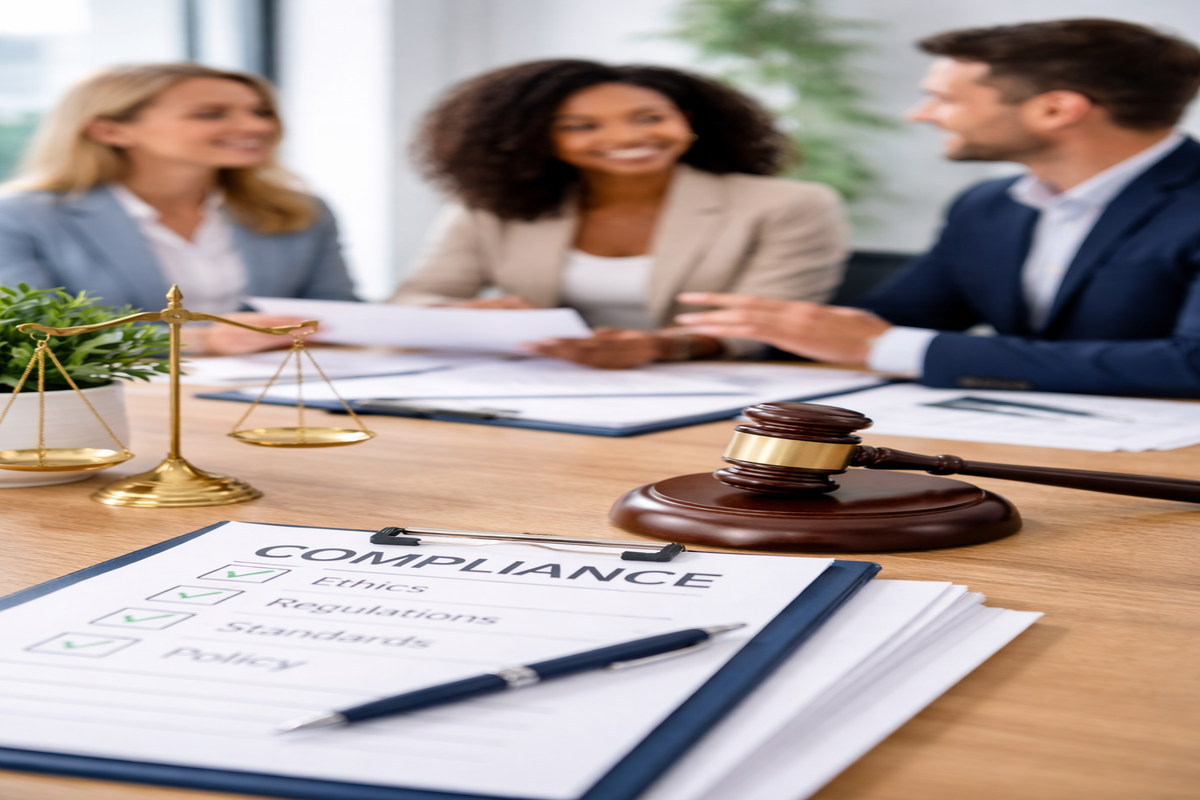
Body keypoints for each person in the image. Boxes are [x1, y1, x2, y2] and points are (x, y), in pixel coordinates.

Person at [676, 19, 1200, 398]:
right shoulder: (988, 206)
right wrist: (692, 347)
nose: (921, 114)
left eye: (946, 99)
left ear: (1055, 109)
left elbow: (1191, 364)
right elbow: (887, 323)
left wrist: (893, 348)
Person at [391, 60, 847, 369]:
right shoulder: (492, 206)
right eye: (582, 126)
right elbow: (414, 301)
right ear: (533, 138)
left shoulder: (789, 205)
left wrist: (659, 346)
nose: (627, 136)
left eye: (650, 117)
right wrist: (460, 314)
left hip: (708, 388)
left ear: (688, 119)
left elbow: (769, 324)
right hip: (538, 383)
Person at [0, 63, 358, 355]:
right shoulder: (20, 218)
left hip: (275, 390)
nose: (258, 126)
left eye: (261, 111)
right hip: (110, 401)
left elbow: (335, 311)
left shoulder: (298, 210)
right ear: (109, 131)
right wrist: (202, 341)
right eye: (210, 114)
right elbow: (24, 335)